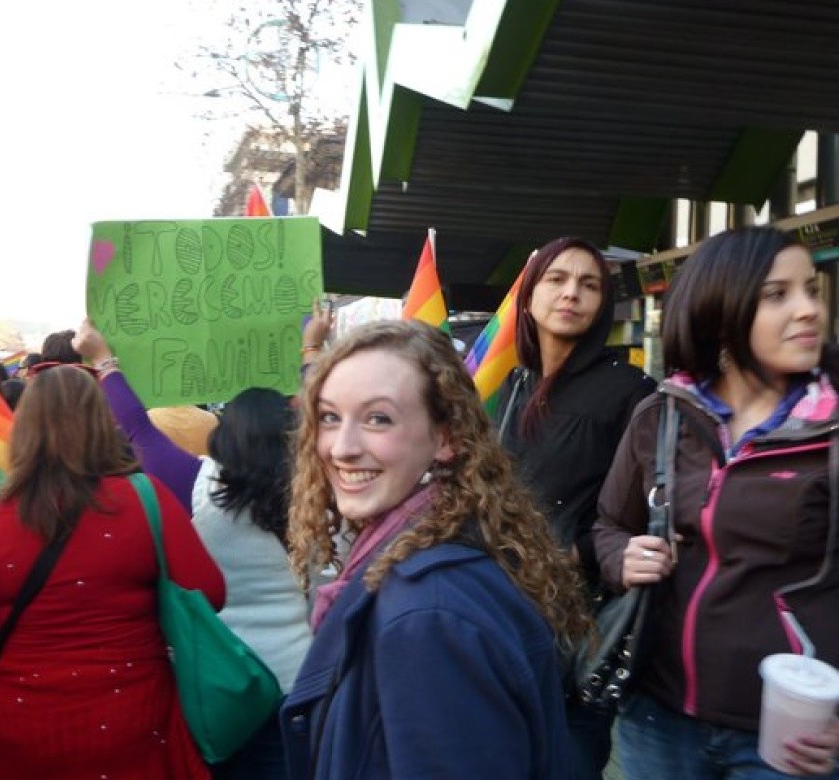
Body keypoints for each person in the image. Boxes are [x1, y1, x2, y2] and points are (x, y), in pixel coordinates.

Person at [282, 319, 588, 779]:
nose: (341, 448)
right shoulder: (439, 551)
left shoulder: (428, 615)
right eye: (329, 417)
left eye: (378, 418)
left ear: (445, 438)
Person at [593, 226, 839, 779]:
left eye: (812, 290)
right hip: (654, 715)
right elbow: (609, 526)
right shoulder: (663, 416)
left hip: (785, 740)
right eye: (777, 294)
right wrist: (622, 558)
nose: (807, 310)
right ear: (719, 307)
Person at [0, 365, 225, 779]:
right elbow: (208, 592)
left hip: (16, 731)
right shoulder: (146, 501)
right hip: (133, 725)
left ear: (23, 430)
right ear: (102, 425)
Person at [74, 320, 313, 780]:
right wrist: (310, 349)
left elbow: (137, 428)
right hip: (300, 678)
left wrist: (105, 360)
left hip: (219, 679)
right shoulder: (322, 495)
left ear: (226, 434)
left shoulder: (197, 486)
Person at [492, 237, 656, 778]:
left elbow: (643, 515)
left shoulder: (630, 392)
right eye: (557, 279)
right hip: (500, 616)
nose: (571, 293)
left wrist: (578, 556)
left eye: (589, 285)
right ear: (530, 293)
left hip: (577, 625)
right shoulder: (513, 383)